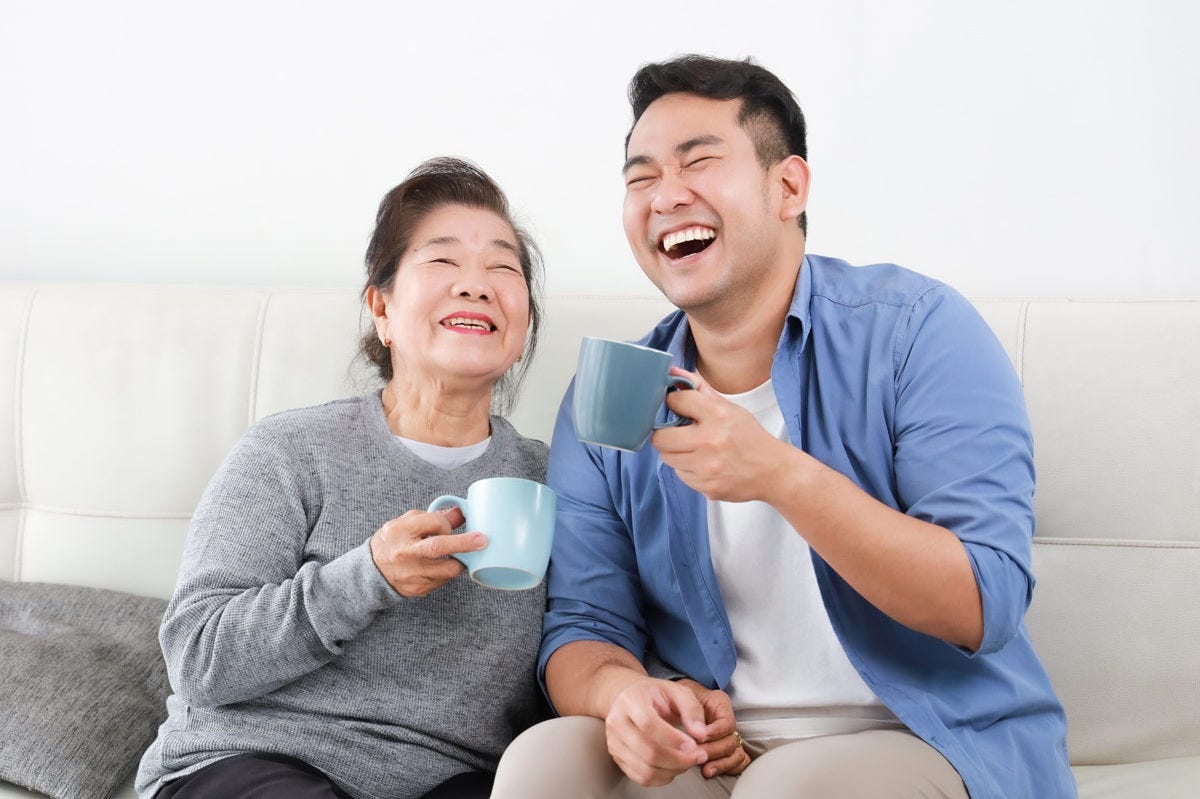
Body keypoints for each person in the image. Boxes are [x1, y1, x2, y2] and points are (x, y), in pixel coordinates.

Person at [492, 56, 1076, 798]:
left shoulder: (918, 333)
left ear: (788, 187)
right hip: (718, 750)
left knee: (789, 789)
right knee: (544, 760)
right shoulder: (608, 393)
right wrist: (624, 696)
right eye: (641, 178)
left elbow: (982, 600)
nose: (667, 194)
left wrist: (777, 473)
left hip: (921, 736)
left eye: (698, 161)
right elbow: (583, 623)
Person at [135, 157, 549, 799]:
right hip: (255, 760)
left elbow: (600, 632)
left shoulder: (554, 481)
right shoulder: (289, 450)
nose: (477, 285)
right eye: (443, 262)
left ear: (521, 330)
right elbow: (197, 657)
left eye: (504, 267)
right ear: (381, 309)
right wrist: (368, 579)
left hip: (451, 778)